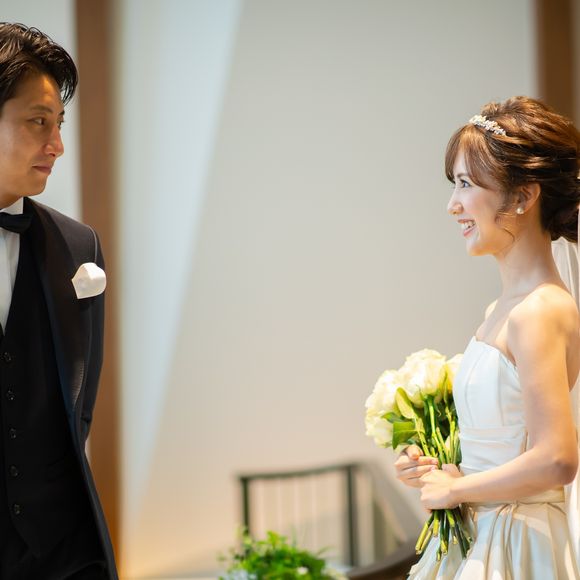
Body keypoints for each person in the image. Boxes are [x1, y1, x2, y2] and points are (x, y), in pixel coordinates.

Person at [395, 96, 580, 578]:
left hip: (519, 541)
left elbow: (557, 459)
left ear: (522, 197)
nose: (452, 204)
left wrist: (456, 490)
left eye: (466, 184)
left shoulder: (539, 310)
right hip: (485, 528)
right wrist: (440, 467)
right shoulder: (500, 309)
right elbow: (505, 445)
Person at [0, 23, 117, 579]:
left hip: (63, 553)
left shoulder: (78, 246)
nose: (57, 145)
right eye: (38, 122)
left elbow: (79, 400)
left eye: (59, 124)